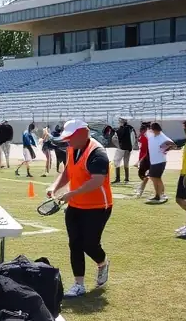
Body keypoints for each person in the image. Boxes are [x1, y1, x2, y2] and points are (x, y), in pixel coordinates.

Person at [48, 119, 112, 298]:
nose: (68, 141)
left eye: (70, 137)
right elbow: (69, 171)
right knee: (75, 243)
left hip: (98, 206)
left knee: (90, 244)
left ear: (83, 134)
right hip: (76, 205)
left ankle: (102, 263)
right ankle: (79, 284)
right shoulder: (72, 148)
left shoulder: (97, 152)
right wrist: (55, 187)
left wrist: (71, 193)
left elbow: (97, 180)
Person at [144, 123, 176, 204]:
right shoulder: (151, 135)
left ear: (156, 129)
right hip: (153, 161)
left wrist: (165, 149)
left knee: (156, 178)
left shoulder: (162, 137)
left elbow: (173, 145)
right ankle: (158, 195)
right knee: (154, 178)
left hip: (160, 161)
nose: (151, 130)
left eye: (152, 129)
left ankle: (161, 194)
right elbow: (145, 133)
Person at [112, 117, 136, 185]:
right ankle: (126, 178)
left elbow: (115, 138)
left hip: (121, 148)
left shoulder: (121, 129)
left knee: (116, 161)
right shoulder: (131, 128)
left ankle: (118, 178)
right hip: (128, 148)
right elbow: (134, 138)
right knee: (126, 163)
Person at [134, 122, 151, 198]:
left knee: (145, 176)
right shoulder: (142, 136)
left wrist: (140, 160)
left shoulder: (147, 137)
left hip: (146, 158)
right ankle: (141, 188)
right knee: (143, 175)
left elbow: (147, 149)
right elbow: (139, 142)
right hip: (142, 157)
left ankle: (140, 190)